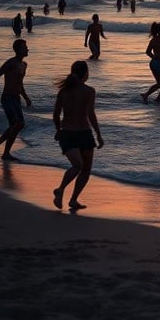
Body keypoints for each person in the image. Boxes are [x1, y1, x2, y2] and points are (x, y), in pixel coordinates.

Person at [52, 61, 103, 210]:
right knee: (79, 166)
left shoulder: (63, 91)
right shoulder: (89, 91)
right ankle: (60, 189)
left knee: (83, 168)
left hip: (69, 133)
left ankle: (73, 200)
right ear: (85, 74)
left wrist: (57, 130)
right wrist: (98, 134)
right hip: (81, 133)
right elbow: (90, 114)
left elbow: (56, 114)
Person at [0, 39, 32, 161]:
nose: (27, 49)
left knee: (15, 125)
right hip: (7, 97)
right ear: (18, 50)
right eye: (24, 47)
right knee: (19, 124)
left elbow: (20, 83)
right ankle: (0, 148)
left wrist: (26, 97)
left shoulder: (24, 65)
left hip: (16, 98)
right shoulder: (11, 63)